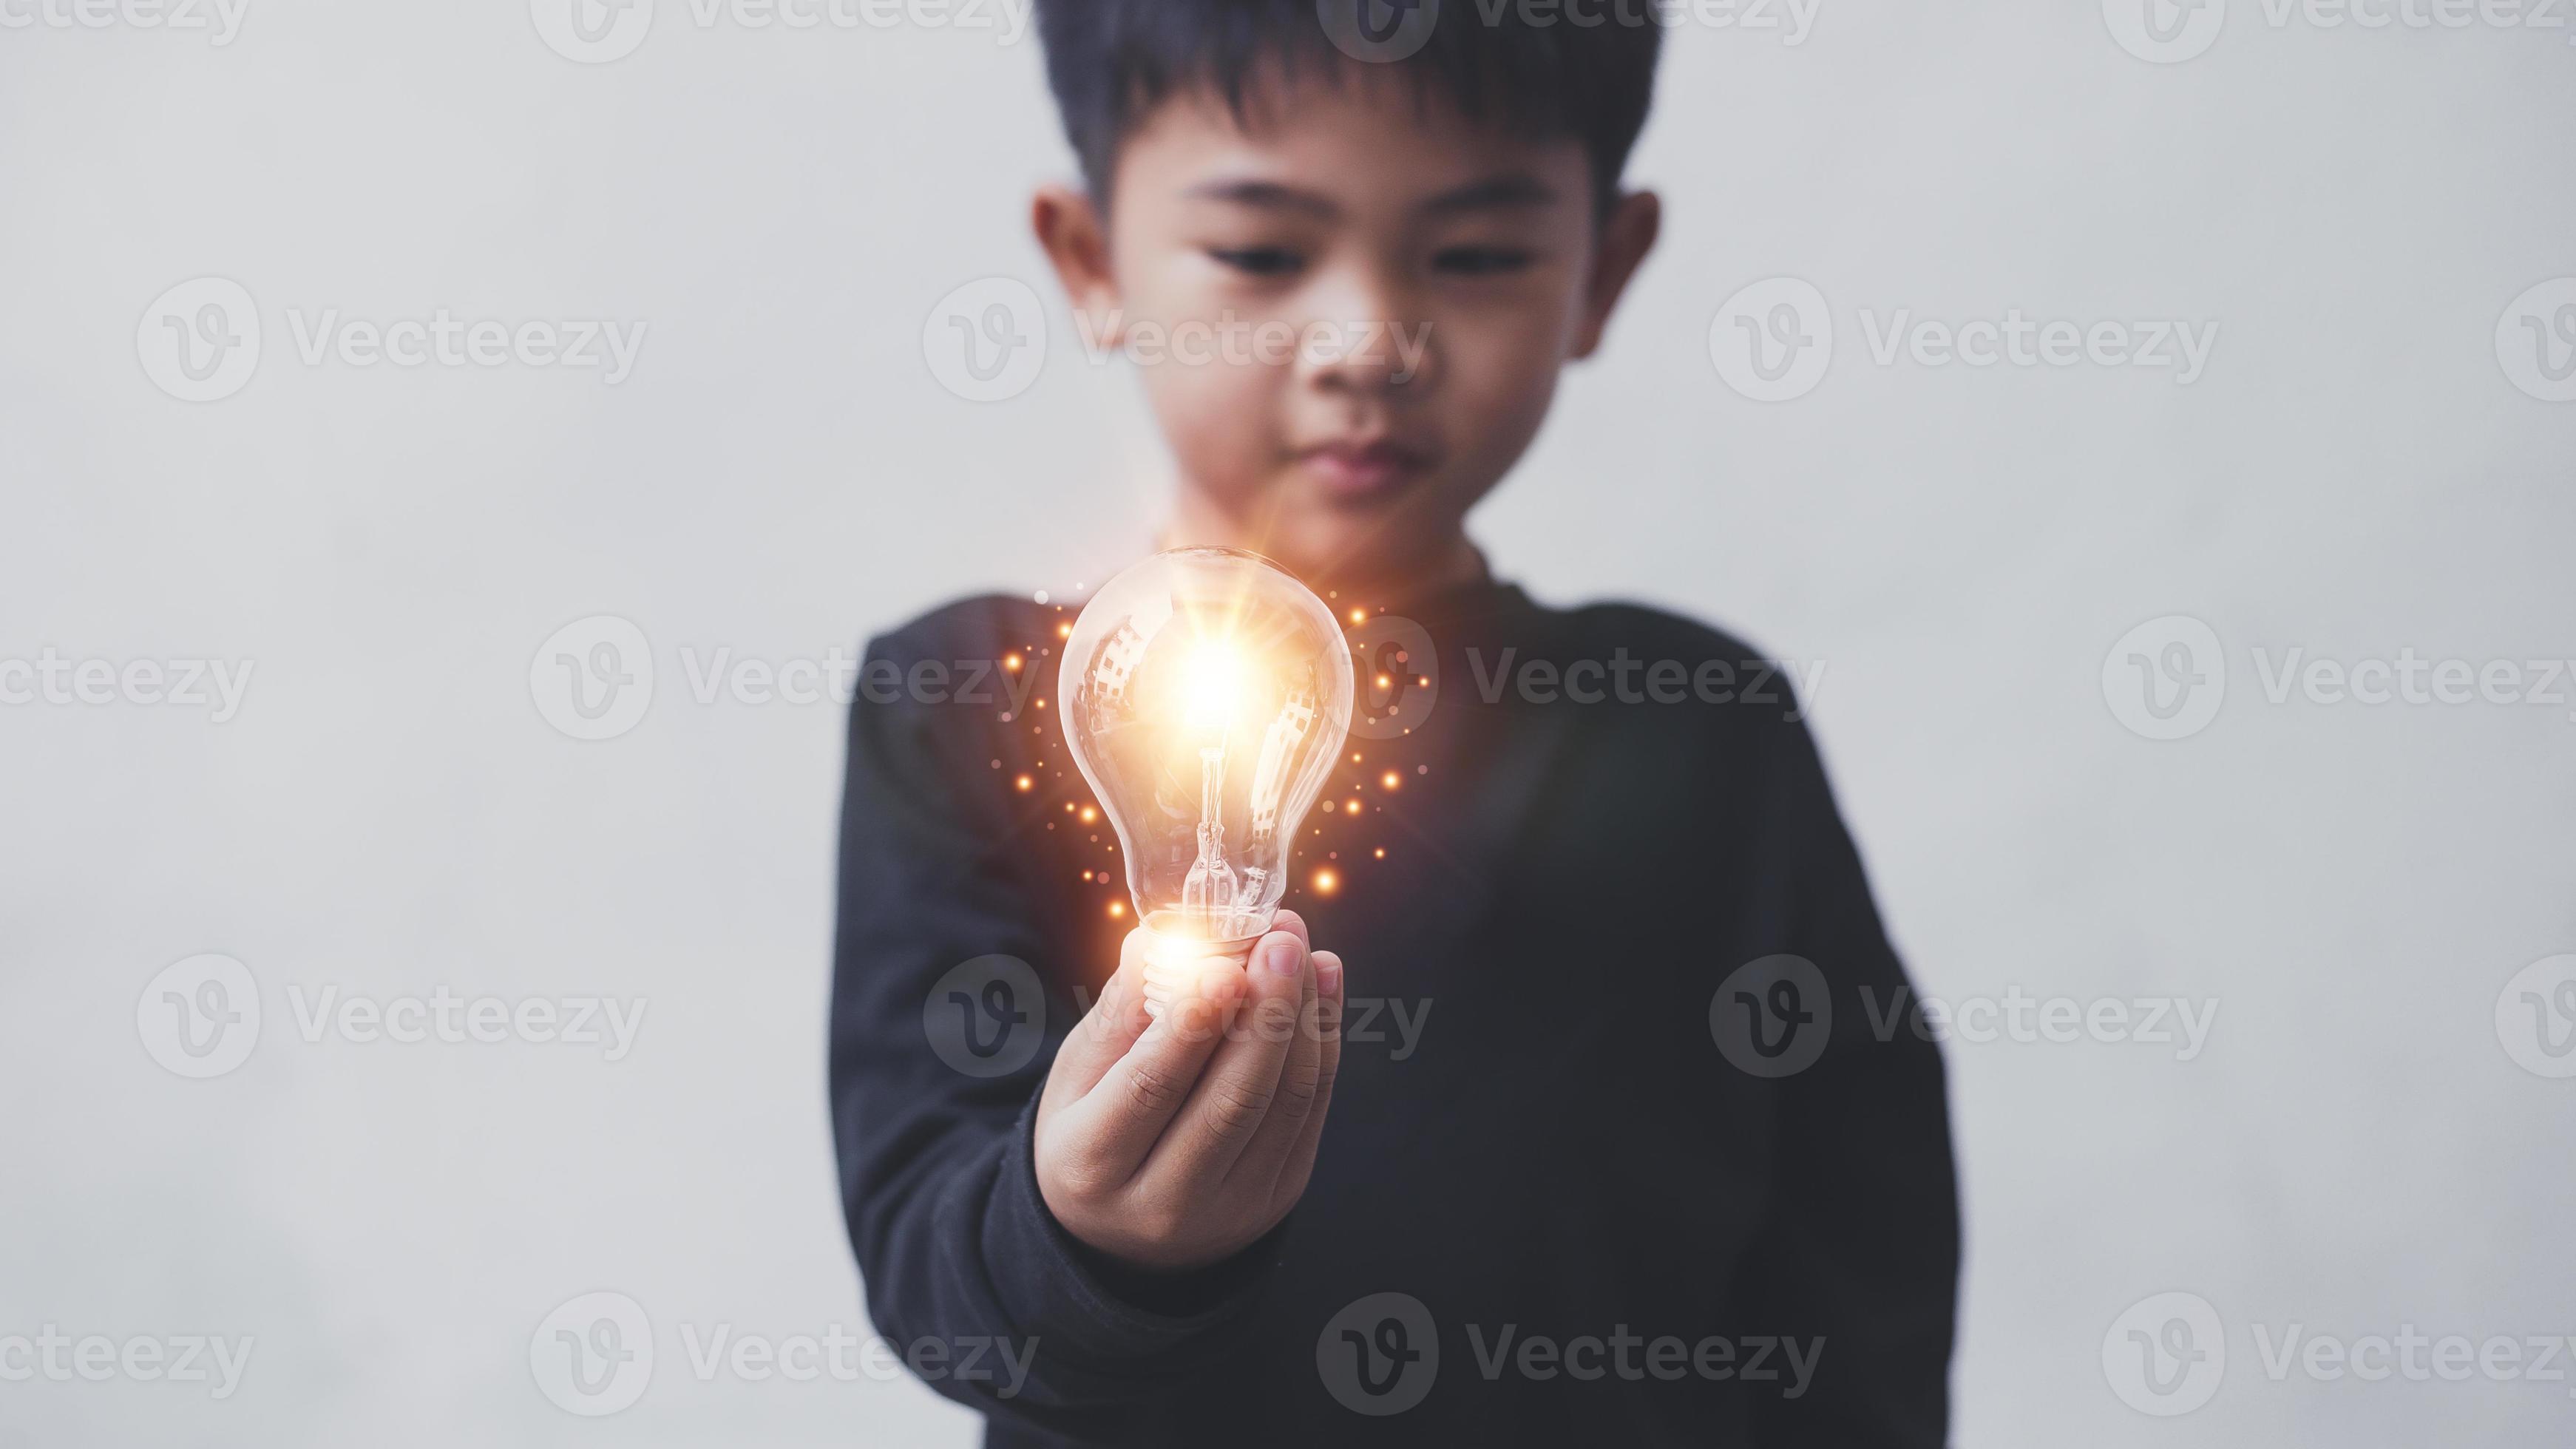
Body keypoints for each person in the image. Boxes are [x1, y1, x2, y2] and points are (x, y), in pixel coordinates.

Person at [830, 4, 1959, 1442]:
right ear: (1089, 258)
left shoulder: (1703, 731)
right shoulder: (964, 708)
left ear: (1603, 271)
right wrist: (1089, 1234)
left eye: (1476, 255)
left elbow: (1859, 1254)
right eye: (1259, 254)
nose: (1369, 341)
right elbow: (931, 1258)